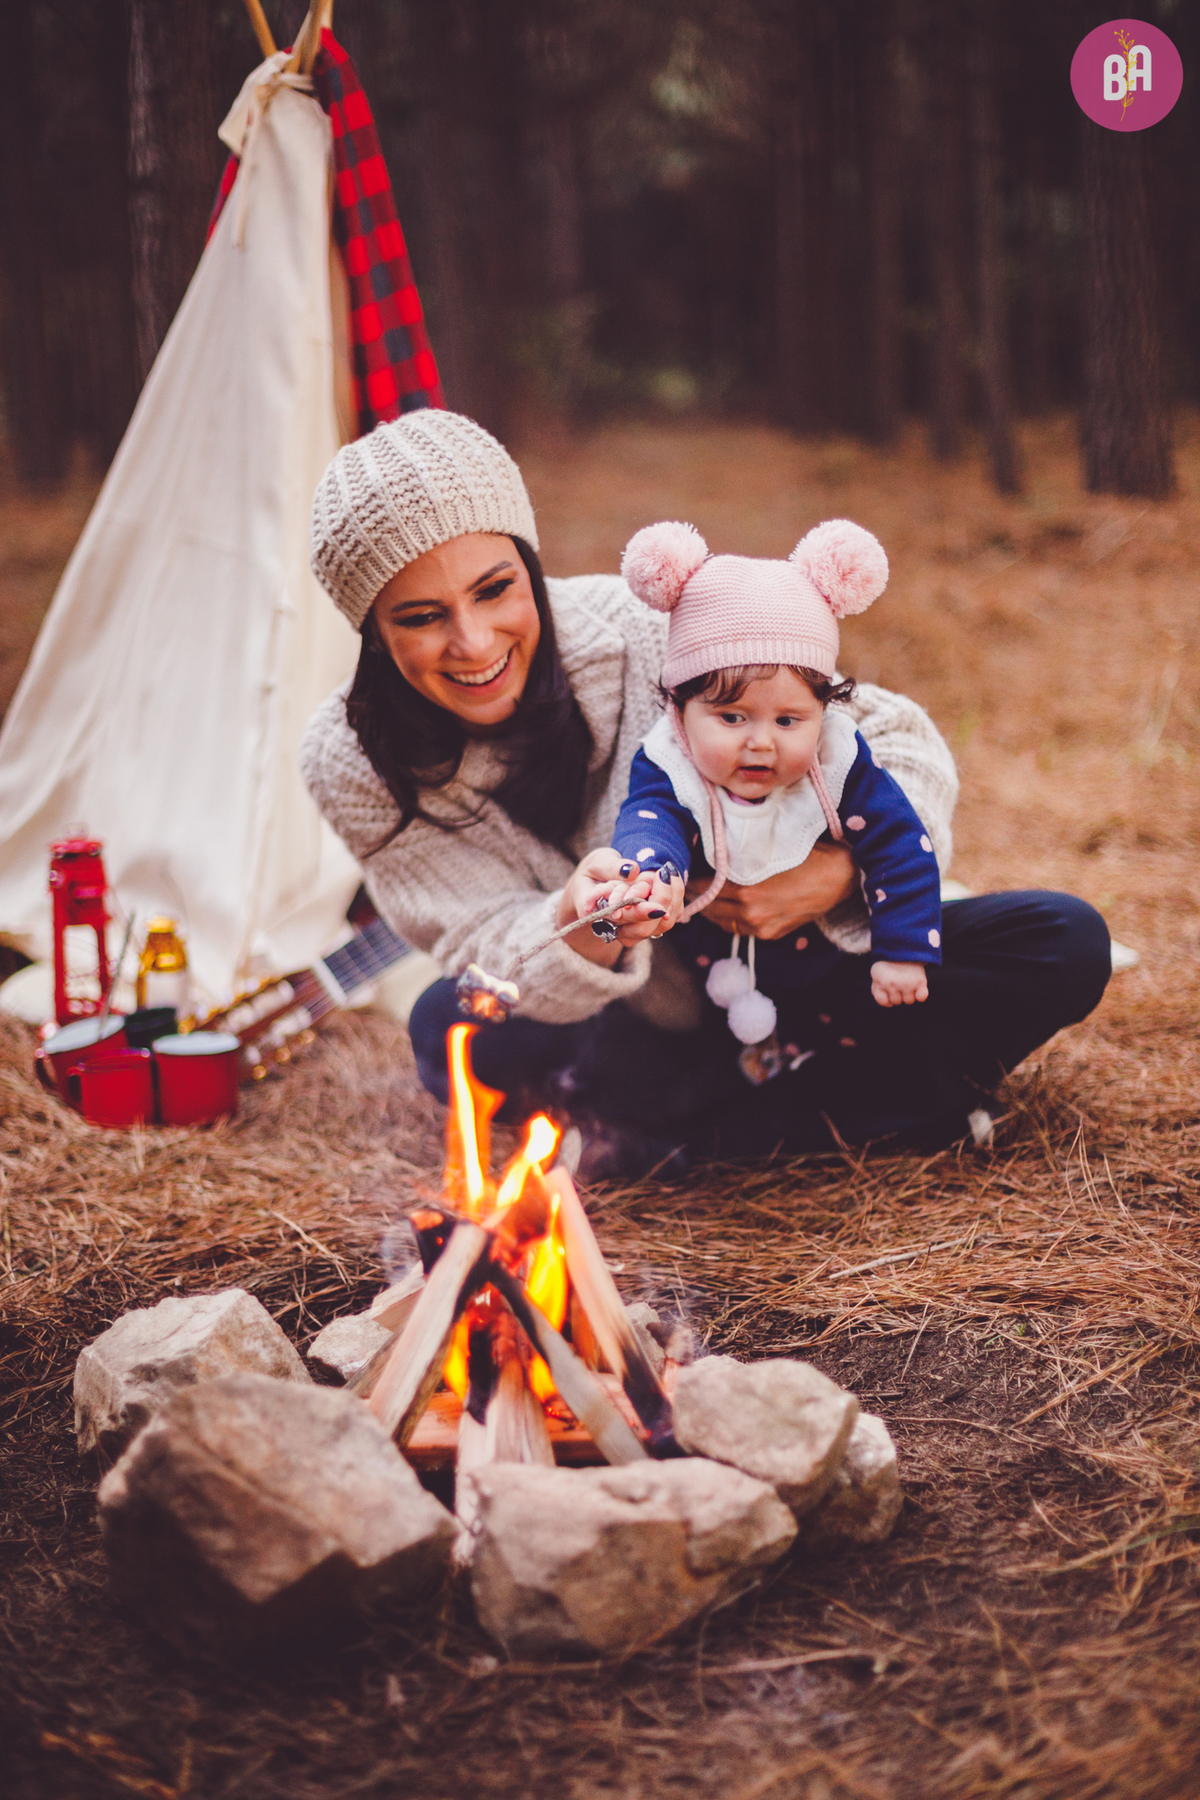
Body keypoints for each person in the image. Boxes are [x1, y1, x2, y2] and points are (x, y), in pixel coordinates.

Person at [301, 408, 1111, 1175]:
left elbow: (897, 742)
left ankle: (701, 1141)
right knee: (450, 1025)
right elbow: (479, 939)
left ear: (530, 562)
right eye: (420, 617)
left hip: (816, 966)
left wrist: (832, 873)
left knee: (1064, 940)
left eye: (493, 589)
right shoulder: (351, 763)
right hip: (648, 1019)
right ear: (370, 627)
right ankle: (868, 1109)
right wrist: (574, 927)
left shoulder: (646, 628)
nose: (474, 642)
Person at [576, 517, 943, 1085]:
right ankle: (735, 1085)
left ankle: (834, 1072)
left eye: (789, 719)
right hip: (713, 969)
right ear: (680, 709)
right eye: (731, 717)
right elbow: (650, 821)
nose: (761, 742)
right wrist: (650, 874)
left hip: (826, 955)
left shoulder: (838, 762)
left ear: (824, 710)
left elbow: (901, 842)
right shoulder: (670, 762)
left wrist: (904, 950)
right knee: (657, 1057)